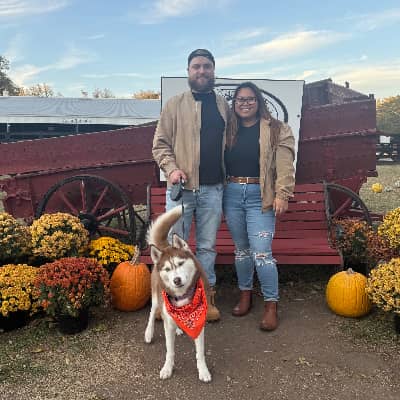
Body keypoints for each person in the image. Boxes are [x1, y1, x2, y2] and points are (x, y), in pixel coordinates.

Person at [152, 49, 230, 322]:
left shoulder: (223, 106)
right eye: (196, 66)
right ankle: (168, 302)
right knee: (172, 250)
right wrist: (171, 169)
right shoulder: (174, 105)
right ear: (188, 71)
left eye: (207, 66)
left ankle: (207, 299)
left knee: (207, 247)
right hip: (181, 191)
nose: (201, 71)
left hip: (213, 190)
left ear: (213, 70)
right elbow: (160, 145)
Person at [223, 81, 296, 331]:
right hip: (232, 194)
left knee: (262, 253)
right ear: (234, 103)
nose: (245, 103)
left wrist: (282, 194)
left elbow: (285, 165)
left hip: (260, 196)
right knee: (241, 251)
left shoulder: (276, 129)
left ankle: (271, 304)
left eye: (250, 99)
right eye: (240, 100)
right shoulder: (228, 129)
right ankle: (245, 294)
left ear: (258, 101)